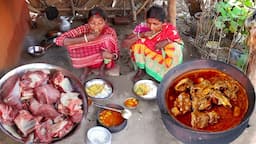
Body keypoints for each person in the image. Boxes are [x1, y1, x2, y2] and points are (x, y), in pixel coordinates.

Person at [55, 7, 119, 81]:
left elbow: (116, 50)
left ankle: (102, 67)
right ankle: (87, 68)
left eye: (100, 23)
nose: (96, 27)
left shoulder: (110, 31)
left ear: (105, 22)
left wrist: (112, 56)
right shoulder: (84, 29)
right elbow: (59, 40)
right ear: (88, 22)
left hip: (103, 58)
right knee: (72, 43)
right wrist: (86, 39)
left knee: (108, 39)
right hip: (88, 57)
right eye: (92, 23)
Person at [122, 5, 183, 82]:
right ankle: (142, 69)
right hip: (149, 51)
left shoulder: (169, 29)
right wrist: (142, 34)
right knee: (137, 44)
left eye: (155, 24)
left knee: (175, 48)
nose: (151, 27)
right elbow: (125, 43)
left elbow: (178, 41)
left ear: (163, 23)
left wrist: (167, 41)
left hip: (162, 54)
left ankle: (166, 74)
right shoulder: (143, 27)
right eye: (148, 23)